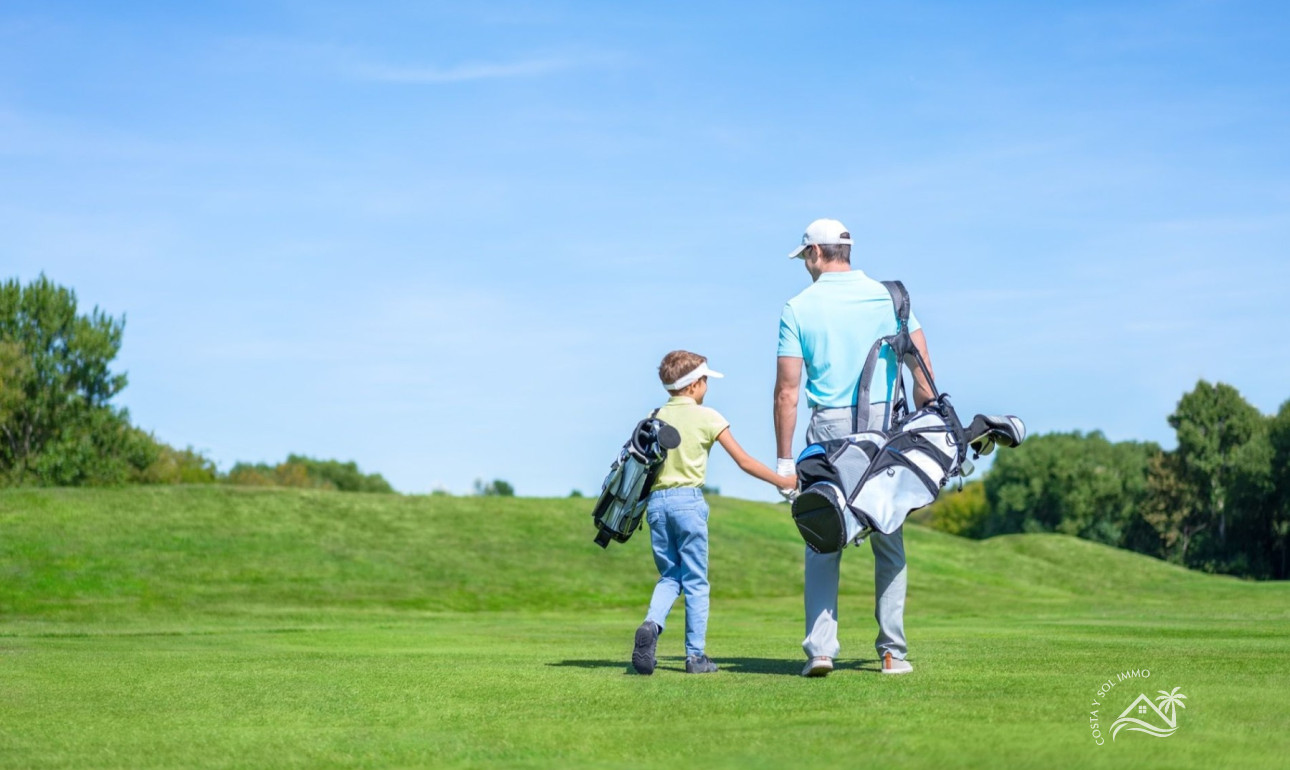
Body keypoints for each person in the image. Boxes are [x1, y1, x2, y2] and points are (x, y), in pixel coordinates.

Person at [773, 218, 937, 677]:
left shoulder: (798, 307)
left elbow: (788, 390)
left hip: (829, 430)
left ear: (814, 254)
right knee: (889, 535)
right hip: (884, 428)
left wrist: (785, 460)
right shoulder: (891, 297)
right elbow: (922, 373)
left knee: (823, 534)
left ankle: (821, 651)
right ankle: (892, 653)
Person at [632, 350, 797, 675]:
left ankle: (652, 623)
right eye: (705, 380)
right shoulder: (708, 417)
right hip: (688, 503)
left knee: (670, 576)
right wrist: (783, 480)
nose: (707, 385)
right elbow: (744, 461)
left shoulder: (655, 415)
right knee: (696, 581)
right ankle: (695, 657)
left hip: (656, 506)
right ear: (694, 384)